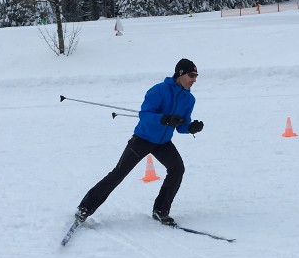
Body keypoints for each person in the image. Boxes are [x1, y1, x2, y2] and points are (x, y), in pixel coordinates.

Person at [75, 58, 204, 227]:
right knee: (119, 173)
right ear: (180, 74)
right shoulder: (159, 90)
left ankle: (160, 210)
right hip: (142, 139)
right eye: (191, 75)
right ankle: (85, 208)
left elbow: (181, 126)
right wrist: (164, 119)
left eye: (196, 75)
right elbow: (145, 114)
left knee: (177, 169)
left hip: (163, 143)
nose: (194, 79)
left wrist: (191, 128)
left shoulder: (189, 99)